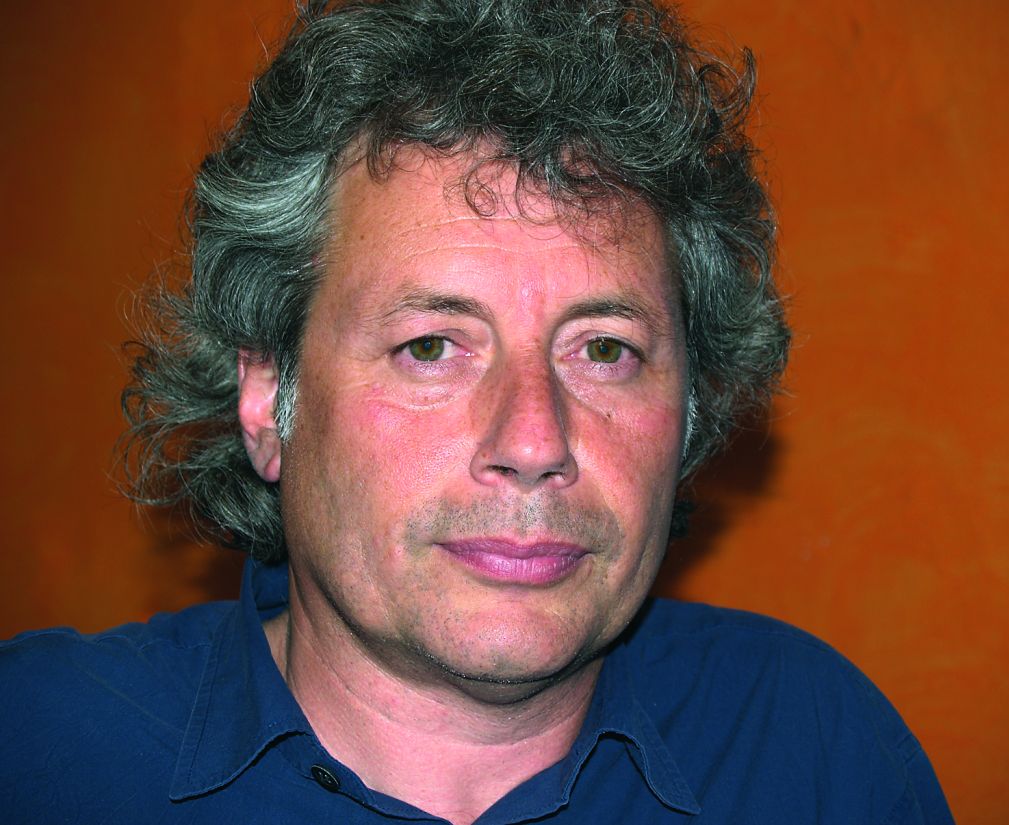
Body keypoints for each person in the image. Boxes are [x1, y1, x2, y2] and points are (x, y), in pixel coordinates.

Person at [0, 1, 953, 822]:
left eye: (605, 350)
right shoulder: (39, 752)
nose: (534, 441)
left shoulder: (817, 755)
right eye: (430, 346)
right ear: (267, 395)